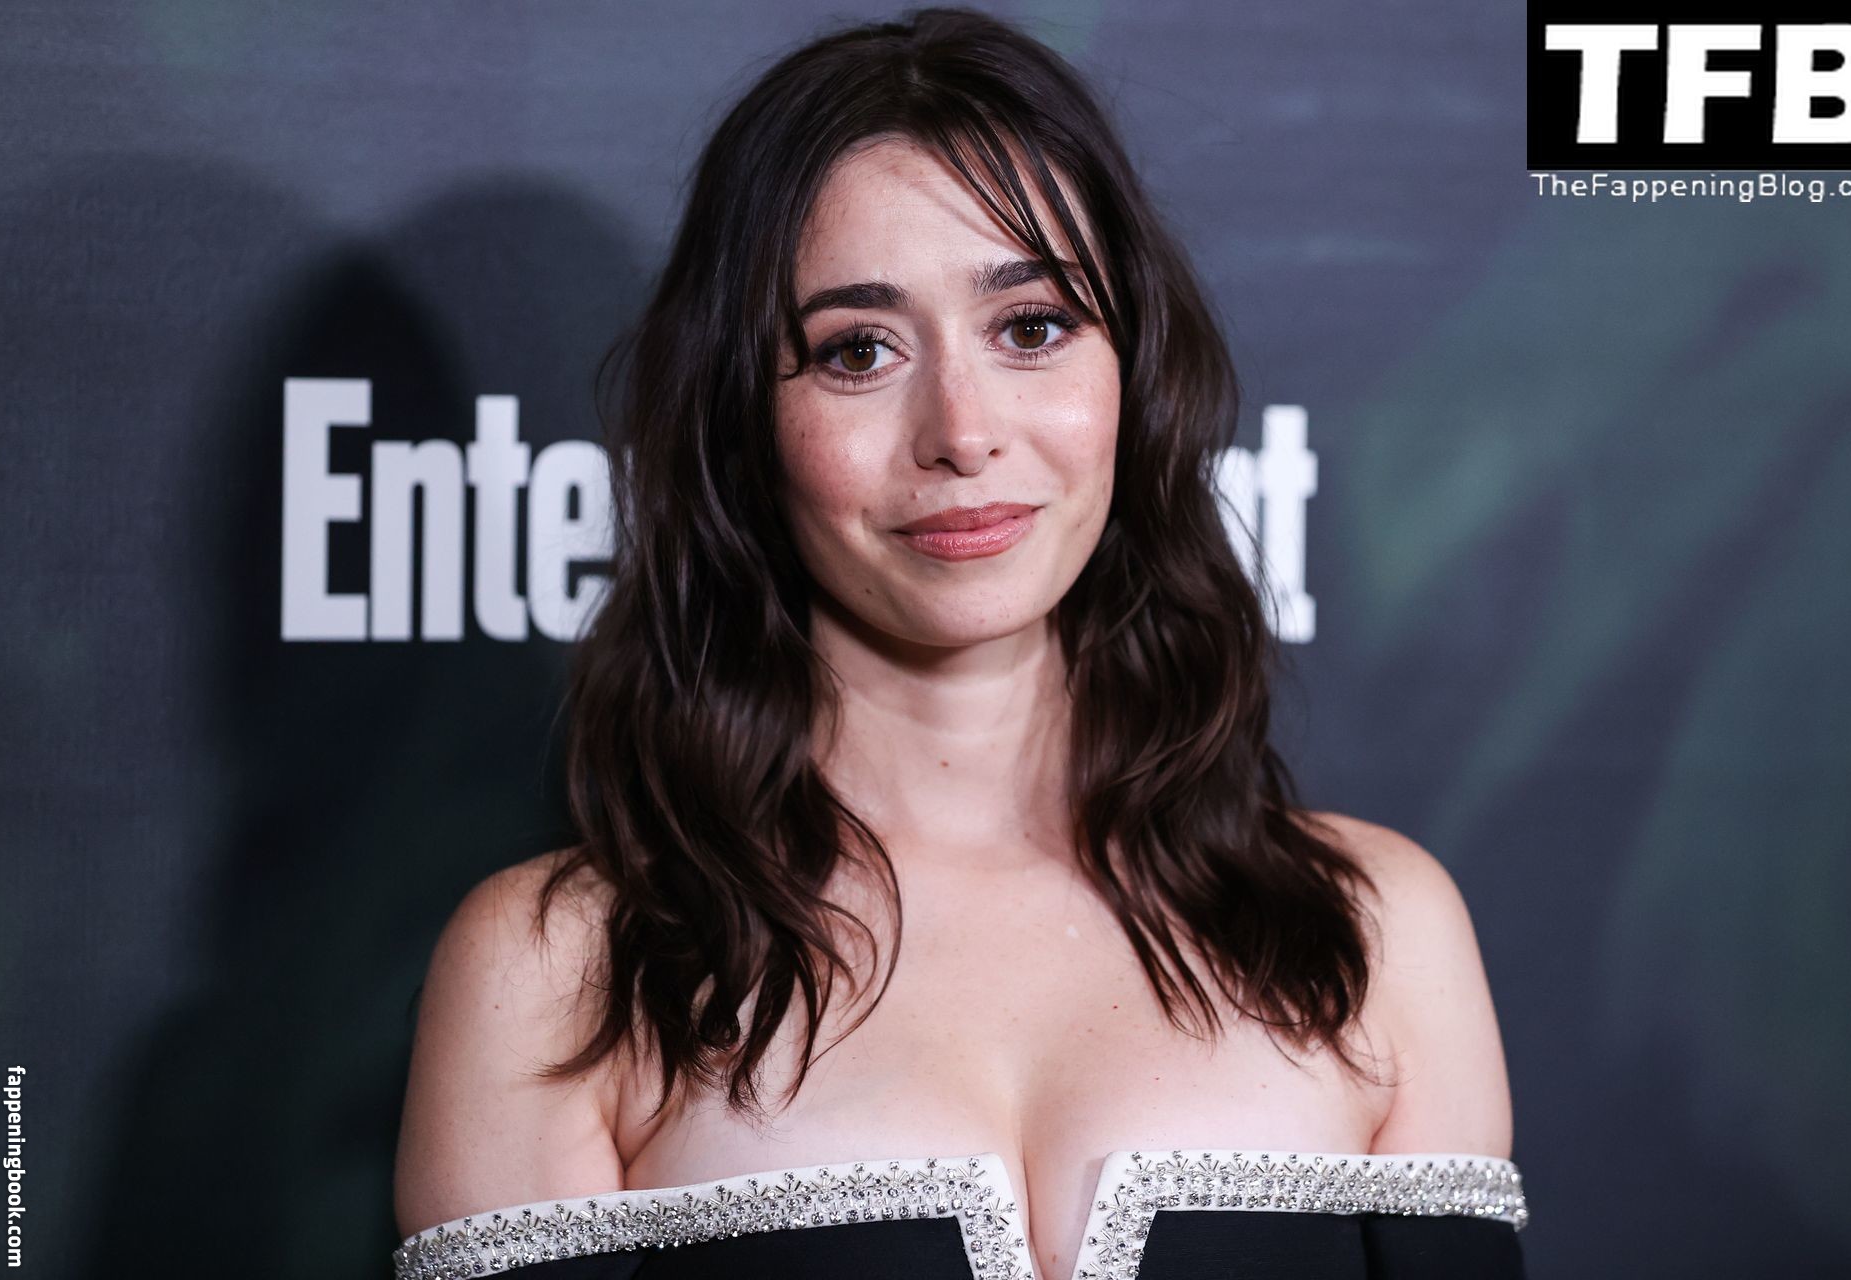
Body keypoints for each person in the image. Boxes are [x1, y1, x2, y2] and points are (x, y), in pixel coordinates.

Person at [390, 8, 1527, 1278]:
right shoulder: (555, 975)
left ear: (1134, 371)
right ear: (740, 422)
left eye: (1030, 326)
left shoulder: (1374, 933)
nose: (963, 431)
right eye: (858, 350)